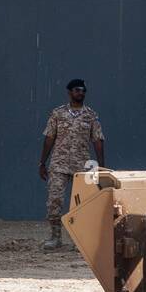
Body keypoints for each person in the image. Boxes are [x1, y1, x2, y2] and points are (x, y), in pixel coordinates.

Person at [38, 79, 104, 251]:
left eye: (83, 91)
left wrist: (101, 167)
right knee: (54, 200)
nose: (80, 93)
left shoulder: (90, 115)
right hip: (58, 164)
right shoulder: (58, 113)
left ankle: (78, 240)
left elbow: (97, 140)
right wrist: (42, 162)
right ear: (69, 92)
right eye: (77, 90)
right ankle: (55, 237)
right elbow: (49, 137)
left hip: (82, 166)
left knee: (81, 205)